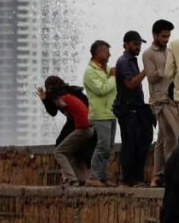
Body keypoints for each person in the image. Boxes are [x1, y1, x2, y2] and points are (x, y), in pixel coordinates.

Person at [142, 19, 179, 187]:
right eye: (164, 36)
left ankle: (158, 175)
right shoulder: (148, 54)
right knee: (173, 136)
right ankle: (171, 173)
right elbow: (151, 77)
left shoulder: (170, 50)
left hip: (171, 99)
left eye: (168, 36)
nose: (166, 39)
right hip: (159, 100)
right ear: (155, 35)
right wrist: (165, 69)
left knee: (163, 139)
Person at [113, 30, 155, 187]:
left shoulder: (132, 61)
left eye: (139, 44)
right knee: (130, 145)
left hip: (137, 109)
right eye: (134, 44)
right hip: (127, 110)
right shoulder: (124, 61)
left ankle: (137, 177)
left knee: (143, 142)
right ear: (125, 44)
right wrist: (146, 70)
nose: (137, 47)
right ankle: (129, 179)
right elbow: (130, 84)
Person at [36, 75, 95, 174]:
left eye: (51, 87)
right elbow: (53, 112)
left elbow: (87, 106)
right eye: (48, 88)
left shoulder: (69, 92)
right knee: (60, 143)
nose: (50, 90)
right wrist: (45, 100)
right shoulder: (53, 95)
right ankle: (70, 174)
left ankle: (82, 174)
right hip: (71, 122)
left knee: (84, 149)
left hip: (84, 122)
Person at [82, 39, 117, 187]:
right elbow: (101, 89)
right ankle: (93, 177)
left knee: (108, 148)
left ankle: (101, 177)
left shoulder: (106, 69)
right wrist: (113, 77)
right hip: (100, 115)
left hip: (110, 113)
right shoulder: (90, 72)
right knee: (102, 146)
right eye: (106, 51)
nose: (109, 53)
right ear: (98, 52)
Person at [48, 80, 96, 186]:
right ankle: (80, 179)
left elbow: (60, 104)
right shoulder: (70, 95)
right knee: (68, 152)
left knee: (58, 151)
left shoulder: (63, 99)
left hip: (84, 129)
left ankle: (72, 179)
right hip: (89, 128)